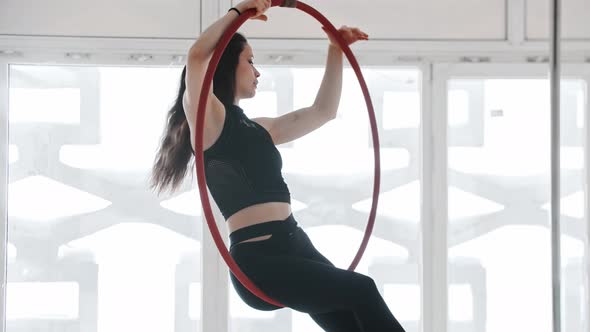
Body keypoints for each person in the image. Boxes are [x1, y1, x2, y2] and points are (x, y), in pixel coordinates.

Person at [151, 0, 405, 330]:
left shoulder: (262, 129)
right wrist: (240, 12)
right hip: (259, 260)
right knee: (362, 289)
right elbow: (197, 56)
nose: (257, 72)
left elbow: (323, 112)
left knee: (350, 321)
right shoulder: (209, 122)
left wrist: (335, 50)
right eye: (250, 61)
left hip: (295, 243)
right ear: (226, 66)